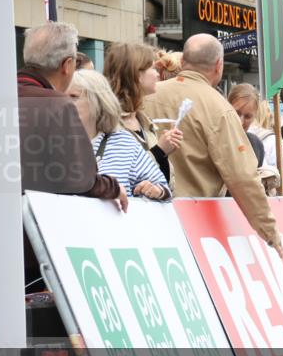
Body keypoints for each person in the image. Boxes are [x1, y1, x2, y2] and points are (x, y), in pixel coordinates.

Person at [142, 34, 283, 260]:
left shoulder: (147, 95)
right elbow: (242, 177)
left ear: (183, 61)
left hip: (143, 214)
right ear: (219, 66)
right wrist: (270, 232)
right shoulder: (219, 109)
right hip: (194, 222)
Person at [18, 22, 127, 288]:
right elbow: (79, 180)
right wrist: (113, 187)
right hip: (37, 248)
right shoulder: (56, 105)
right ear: (67, 65)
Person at [69, 70, 170, 200]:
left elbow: (163, 188)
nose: (63, 102)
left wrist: (155, 190)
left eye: (73, 96)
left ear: (97, 101)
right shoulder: (51, 141)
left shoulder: (123, 143)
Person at [103, 42, 183, 183]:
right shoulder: (109, 122)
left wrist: (164, 152)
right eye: (153, 68)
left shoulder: (141, 119)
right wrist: (160, 150)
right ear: (136, 74)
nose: (157, 74)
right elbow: (120, 175)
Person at [229, 84, 283, 193]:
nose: (240, 121)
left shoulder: (255, 143)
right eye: (236, 113)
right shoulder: (214, 137)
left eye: (248, 116)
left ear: (255, 115)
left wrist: (268, 179)